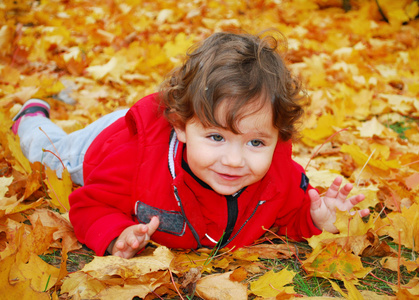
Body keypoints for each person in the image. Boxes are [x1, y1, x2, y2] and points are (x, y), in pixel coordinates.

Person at [12, 31, 369, 259]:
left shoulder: (277, 176)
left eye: (256, 142)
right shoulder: (135, 165)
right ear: (181, 127)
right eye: (216, 137)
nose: (234, 160)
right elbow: (90, 204)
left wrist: (318, 218)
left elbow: (288, 215)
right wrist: (115, 232)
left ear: (278, 137)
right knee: (49, 154)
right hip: (105, 145)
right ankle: (29, 119)